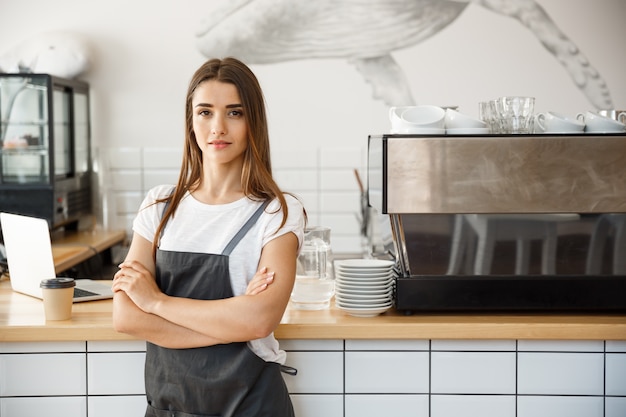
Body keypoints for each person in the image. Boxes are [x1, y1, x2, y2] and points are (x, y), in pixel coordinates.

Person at [112, 57, 306, 417]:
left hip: (252, 407)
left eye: (234, 112)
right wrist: (233, 323)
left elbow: (260, 320)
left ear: (253, 122)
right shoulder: (159, 206)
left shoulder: (278, 211)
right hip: (170, 408)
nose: (218, 127)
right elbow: (125, 316)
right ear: (191, 121)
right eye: (205, 112)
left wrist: (155, 302)